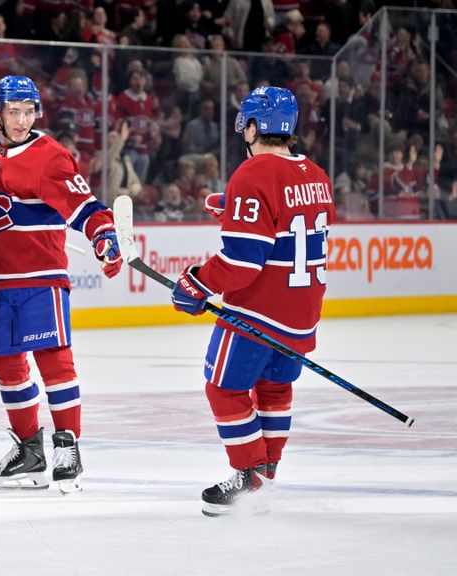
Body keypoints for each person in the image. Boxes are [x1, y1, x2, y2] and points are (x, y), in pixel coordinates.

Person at [170, 86, 335, 516]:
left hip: (257, 312)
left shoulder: (252, 174)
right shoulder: (316, 174)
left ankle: (248, 475)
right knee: (275, 387)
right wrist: (234, 207)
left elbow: (242, 263)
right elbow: (293, 218)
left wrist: (196, 283)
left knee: (223, 388)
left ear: (253, 126)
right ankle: (268, 471)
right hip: (301, 314)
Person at [0, 76, 122, 493]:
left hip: (39, 276)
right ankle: (29, 450)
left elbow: (86, 206)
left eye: (29, 111)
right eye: (14, 111)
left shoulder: (51, 157)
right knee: (6, 365)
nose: (22, 120)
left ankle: (67, 445)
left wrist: (104, 236)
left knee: (54, 361)